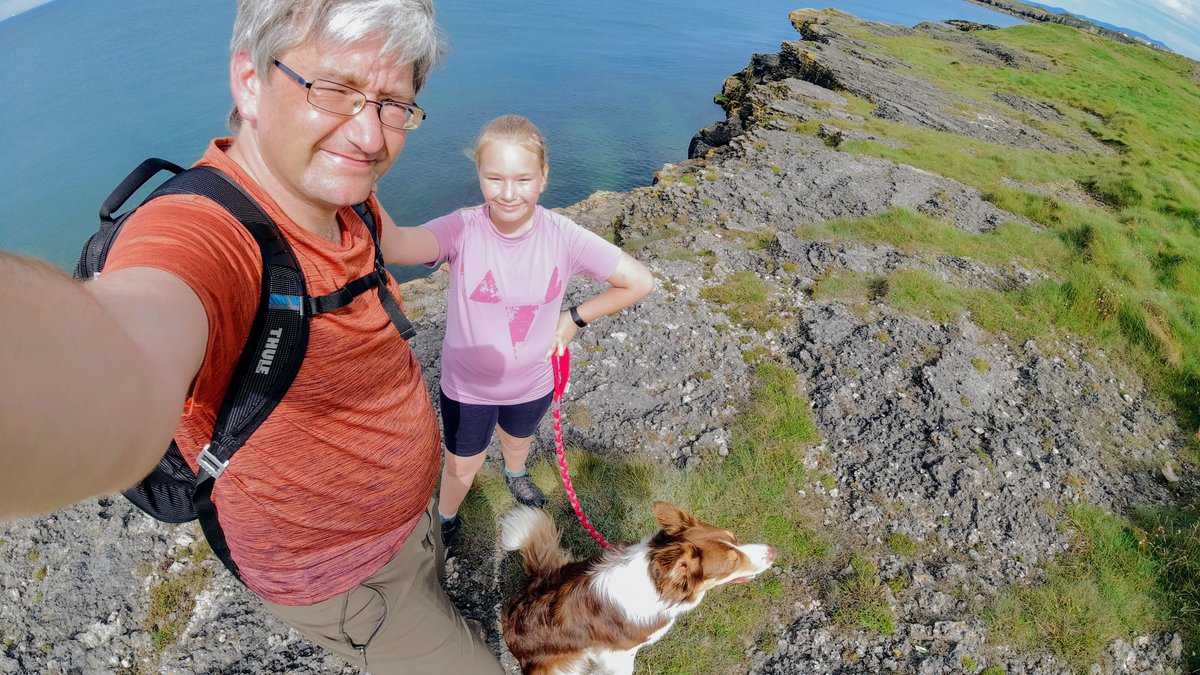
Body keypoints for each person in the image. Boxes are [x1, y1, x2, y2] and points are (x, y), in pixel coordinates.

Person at [0, 1, 503, 672]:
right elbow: (118, 349)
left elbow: (390, 244)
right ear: (249, 82)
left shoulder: (343, 194)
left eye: (392, 104)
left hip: (406, 519)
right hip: (345, 577)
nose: (369, 136)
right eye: (335, 89)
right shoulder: (206, 240)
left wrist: (480, 235)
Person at [384, 115, 655, 548]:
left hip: (533, 382)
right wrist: (362, 182)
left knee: (518, 439)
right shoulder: (462, 228)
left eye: (523, 179)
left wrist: (574, 318)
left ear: (543, 177)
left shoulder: (564, 236)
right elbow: (396, 246)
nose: (508, 193)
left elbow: (638, 281)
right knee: (461, 466)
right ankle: (447, 515)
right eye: (494, 178)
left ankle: (515, 473)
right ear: (479, 175)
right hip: (468, 389)